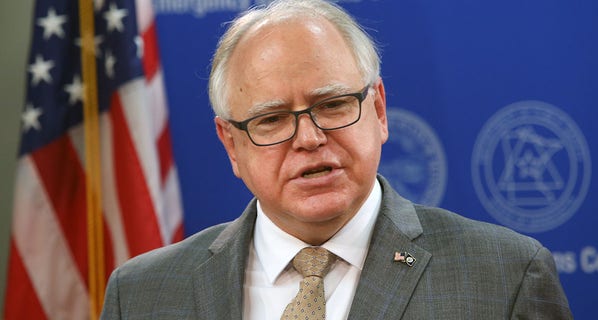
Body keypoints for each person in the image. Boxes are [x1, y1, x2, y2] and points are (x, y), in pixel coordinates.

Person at [101, 0, 573, 319]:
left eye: (332, 106)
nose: (308, 138)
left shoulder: (505, 277)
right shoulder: (142, 294)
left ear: (379, 110)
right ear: (231, 145)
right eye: (270, 119)